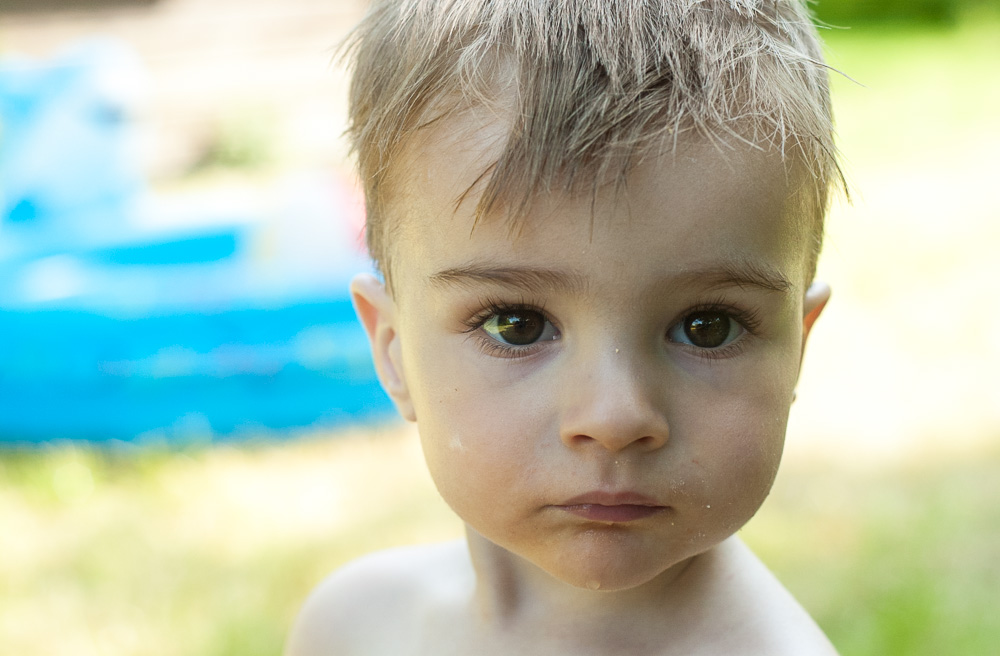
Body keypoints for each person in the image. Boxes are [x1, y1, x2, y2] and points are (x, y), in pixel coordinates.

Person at [287, 1, 843, 653]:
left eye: (707, 326)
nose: (615, 416)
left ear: (796, 350)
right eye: (517, 325)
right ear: (393, 348)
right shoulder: (355, 628)